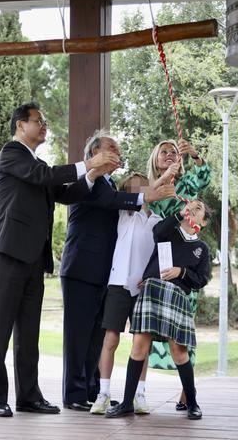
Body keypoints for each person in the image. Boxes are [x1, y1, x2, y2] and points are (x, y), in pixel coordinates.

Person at [0, 102, 119, 418]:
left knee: (28, 333)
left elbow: (67, 194)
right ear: (20, 125)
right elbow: (44, 175)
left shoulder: (37, 165)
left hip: (33, 258)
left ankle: (28, 396)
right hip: (6, 252)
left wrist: (93, 173)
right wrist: (89, 162)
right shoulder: (11, 154)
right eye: (37, 121)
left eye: (44, 120)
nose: (43, 125)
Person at [59, 131, 174, 412]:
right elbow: (116, 199)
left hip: (105, 275)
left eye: (118, 149)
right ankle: (74, 394)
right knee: (78, 334)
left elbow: (129, 199)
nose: (117, 152)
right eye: (111, 147)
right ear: (94, 153)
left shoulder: (110, 185)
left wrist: (162, 180)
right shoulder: (90, 181)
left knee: (96, 336)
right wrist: (151, 192)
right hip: (81, 269)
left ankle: (92, 389)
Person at [105, 200, 211, 420]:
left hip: (176, 298)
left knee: (178, 352)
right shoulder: (169, 231)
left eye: (199, 207)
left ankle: (192, 403)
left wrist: (181, 272)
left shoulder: (202, 249)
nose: (193, 207)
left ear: (204, 221)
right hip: (152, 292)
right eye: (192, 205)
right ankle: (126, 403)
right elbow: (156, 231)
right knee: (138, 348)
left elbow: (202, 279)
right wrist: (179, 214)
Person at [89, 172, 165, 414]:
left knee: (142, 344)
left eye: (143, 186)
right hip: (118, 284)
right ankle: (103, 393)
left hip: (145, 290)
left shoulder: (158, 221)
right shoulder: (124, 215)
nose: (139, 191)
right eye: (132, 189)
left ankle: (139, 394)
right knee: (110, 340)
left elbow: (160, 258)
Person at [146, 138, 212, 410]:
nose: (169, 155)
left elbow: (204, 179)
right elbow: (149, 205)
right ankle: (138, 394)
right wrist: (165, 178)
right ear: (155, 158)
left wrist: (194, 155)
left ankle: (188, 394)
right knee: (146, 332)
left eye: (174, 152)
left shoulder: (185, 186)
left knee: (184, 333)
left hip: (185, 266)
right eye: (164, 152)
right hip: (158, 262)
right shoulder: (150, 186)